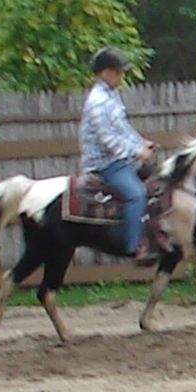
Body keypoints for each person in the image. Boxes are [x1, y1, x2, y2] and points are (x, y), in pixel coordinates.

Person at [78, 46, 157, 264]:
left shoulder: (110, 97)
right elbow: (108, 141)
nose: (121, 77)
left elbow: (122, 129)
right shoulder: (98, 102)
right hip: (105, 164)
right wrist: (137, 152)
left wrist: (141, 142)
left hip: (118, 160)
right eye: (118, 72)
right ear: (105, 72)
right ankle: (134, 247)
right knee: (137, 194)